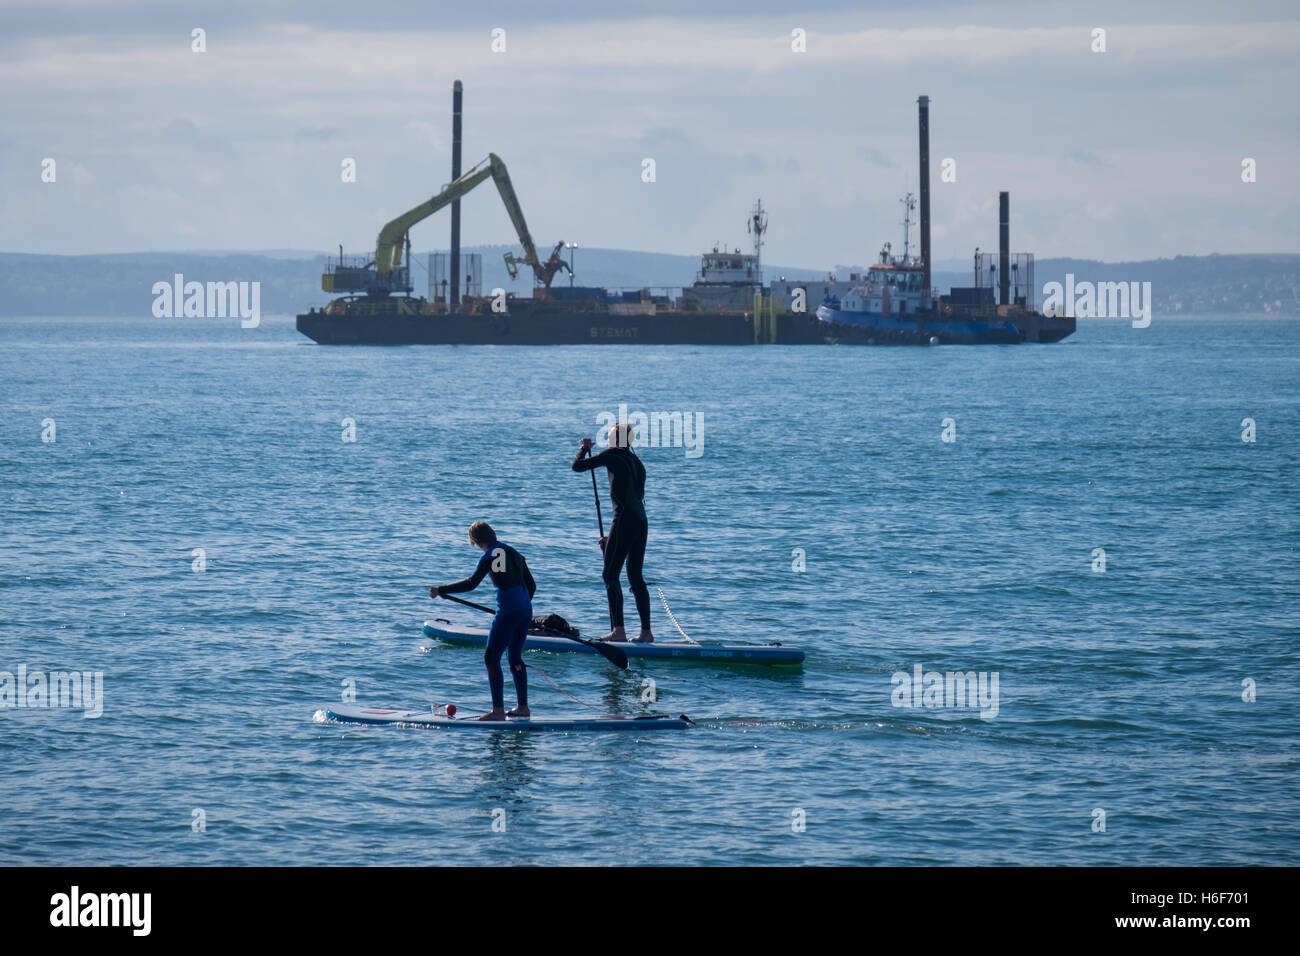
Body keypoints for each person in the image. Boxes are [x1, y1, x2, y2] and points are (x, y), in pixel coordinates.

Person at [430, 521, 536, 720]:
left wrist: (441, 589)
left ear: (475, 541)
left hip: (508, 612)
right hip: (525, 610)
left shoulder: (489, 556)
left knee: (491, 657)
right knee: (515, 657)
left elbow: (471, 584)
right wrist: (520, 606)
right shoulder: (515, 553)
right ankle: (523, 708)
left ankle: (497, 712)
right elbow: (532, 586)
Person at [572, 422, 654, 643]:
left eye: (609, 437)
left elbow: (577, 466)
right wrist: (613, 538)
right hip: (640, 522)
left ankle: (618, 631)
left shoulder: (613, 455)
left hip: (625, 521)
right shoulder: (638, 462)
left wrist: (584, 448)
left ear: (615, 440)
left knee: (610, 575)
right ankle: (646, 633)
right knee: (636, 577)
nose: (607, 441)